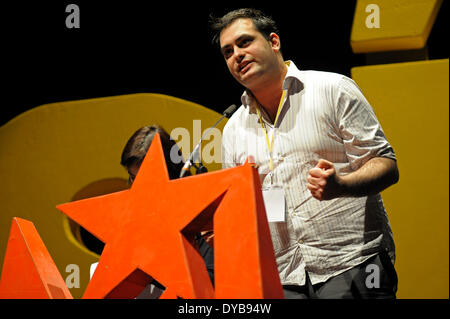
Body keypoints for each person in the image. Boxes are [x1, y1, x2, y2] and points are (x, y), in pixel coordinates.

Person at [211, 8, 399, 299]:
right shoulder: (233, 129)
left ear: (274, 42)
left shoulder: (332, 89)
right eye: (227, 52)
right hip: (283, 278)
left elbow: (385, 164)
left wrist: (342, 185)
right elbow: (242, 210)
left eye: (245, 42)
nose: (236, 54)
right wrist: (222, 224)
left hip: (352, 263)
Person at [92, 125, 215, 299]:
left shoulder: (197, 210)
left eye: (143, 178)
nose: (137, 187)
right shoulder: (130, 214)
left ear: (170, 171)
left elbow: (211, 278)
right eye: (133, 177)